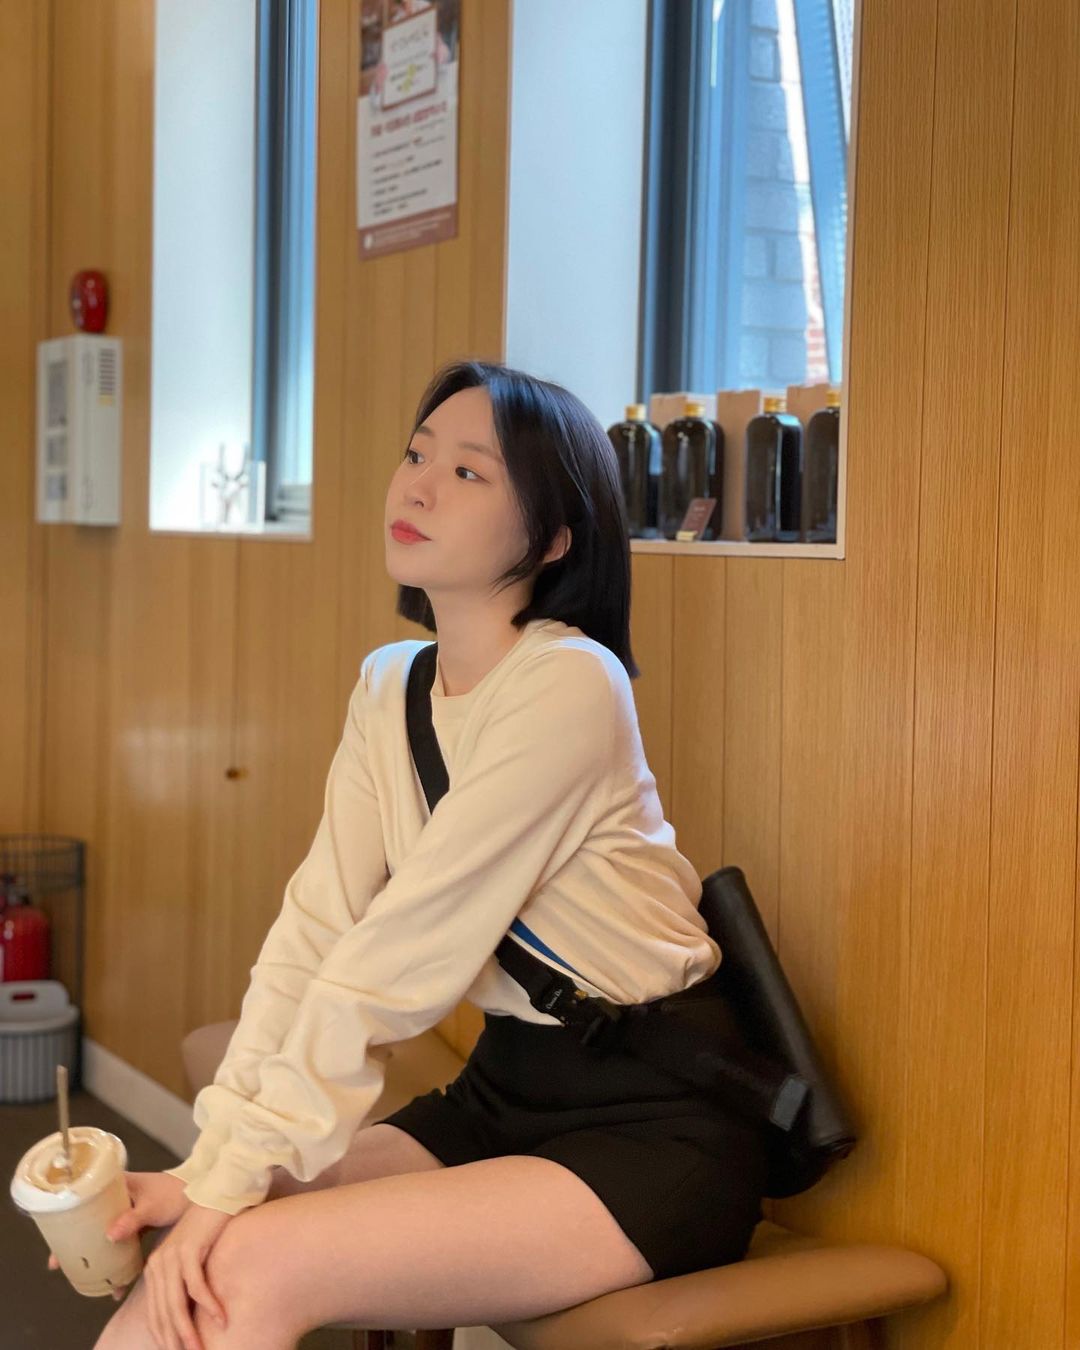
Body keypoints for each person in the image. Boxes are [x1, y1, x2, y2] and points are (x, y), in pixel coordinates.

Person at [86, 360, 769, 1350]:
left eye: (469, 472)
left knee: (238, 1265)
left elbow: (395, 959)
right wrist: (213, 1167)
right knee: (201, 1260)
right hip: (502, 1094)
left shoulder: (572, 684)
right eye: (416, 455)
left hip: (653, 1128)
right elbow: (315, 930)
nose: (417, 486)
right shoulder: (388, 686)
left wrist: (228, 1182)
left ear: (555, 536)